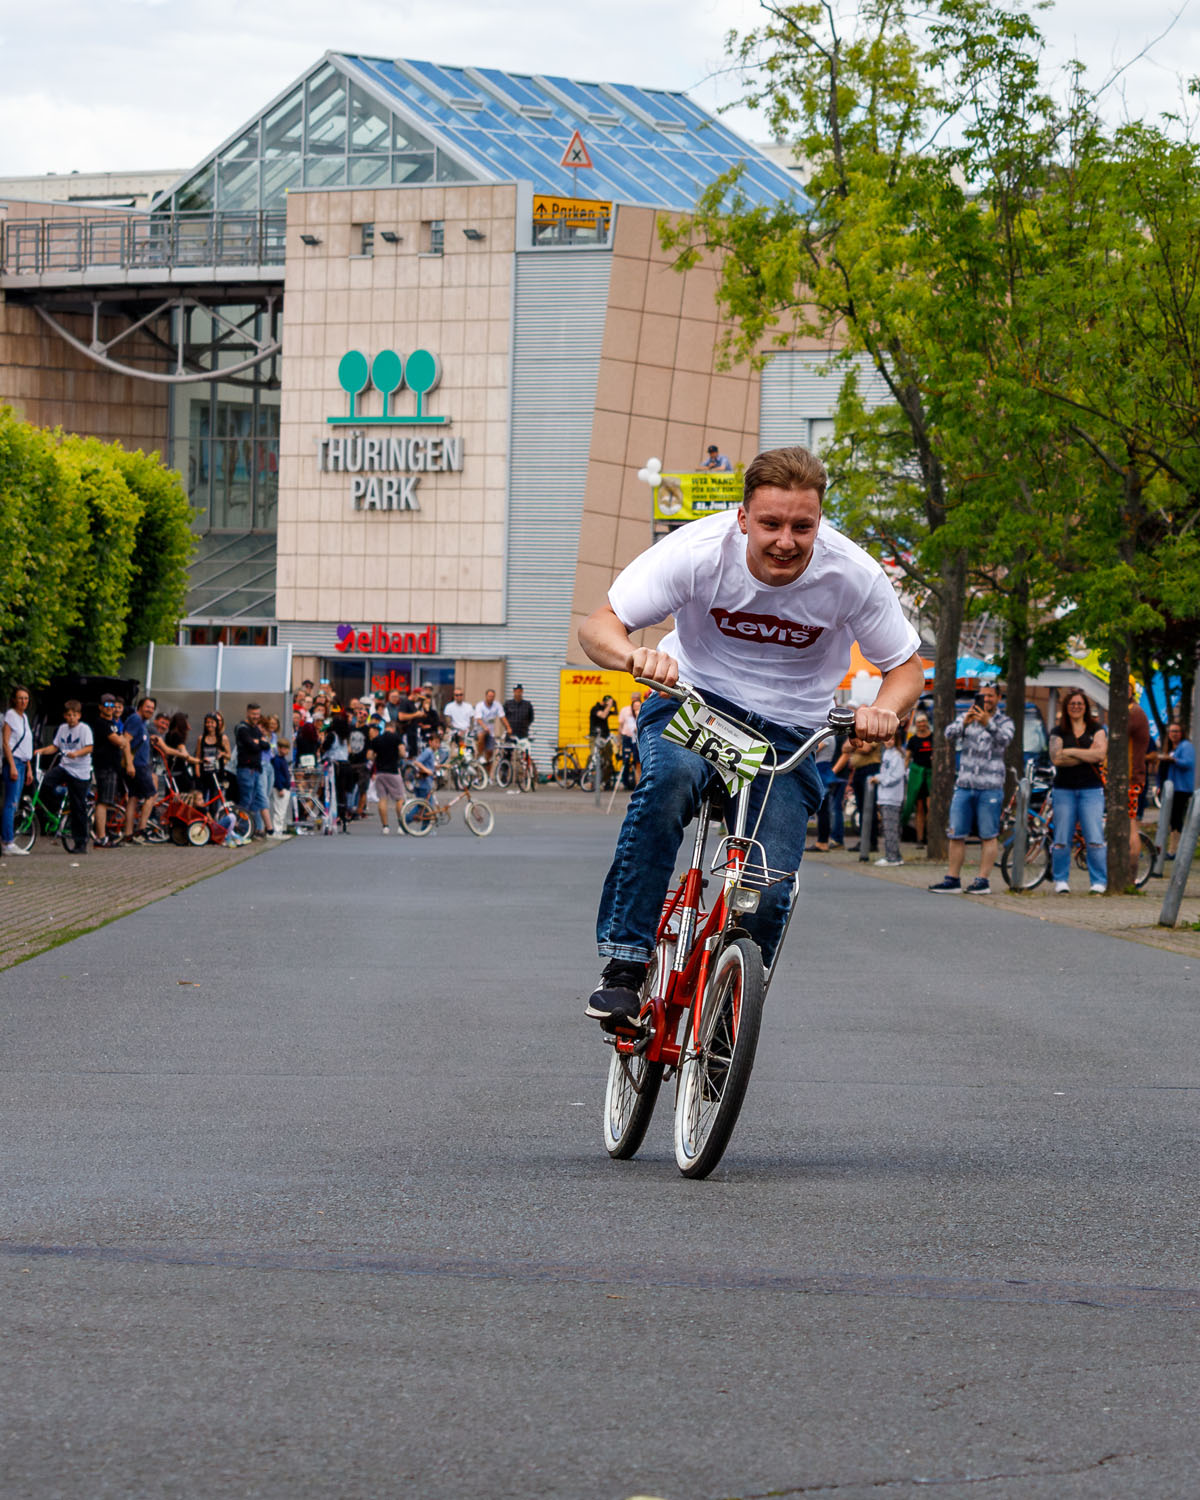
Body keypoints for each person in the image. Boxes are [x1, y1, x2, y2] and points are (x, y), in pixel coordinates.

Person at [577, 444, 923, 1029]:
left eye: (802, 527)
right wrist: (634, 656)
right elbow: (599, 626)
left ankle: (725, 1026)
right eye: (771, 524)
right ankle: (625, 966)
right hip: (697, 704)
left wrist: (884, 710)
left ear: (819, 521)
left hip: (789, 734)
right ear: (743, 519)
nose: (786, 541)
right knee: (668, 784)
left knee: (769, 887)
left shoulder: (852, 575)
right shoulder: (697, 551)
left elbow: (906, 668)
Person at [928, 683, 1014, 895]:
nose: (986, 699)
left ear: (998, 697)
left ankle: (982, 881)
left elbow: (1005, 740)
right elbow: (948, 734)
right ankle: (952, 879)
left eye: (990, 696)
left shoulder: (1005, 721)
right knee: (956, 833)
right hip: (965, 785)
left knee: (988, 835)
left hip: (990, 787)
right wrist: (965, 723)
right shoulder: (967, 716)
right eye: (983, 696)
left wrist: (988, 723)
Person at [1048, 690, 1108, 894]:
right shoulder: (1058, 731)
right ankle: (1061, 880)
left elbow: (1099, 755)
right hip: (1064, 789)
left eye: (1079, 703)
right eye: (1072, 703)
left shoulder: (1097, 729)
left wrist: (1070, 751)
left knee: (1094, 838)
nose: (1076, 707)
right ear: (1066, 707)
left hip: (1091, 789)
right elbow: (1056, 759)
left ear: (1086, 707)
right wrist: (1086, 754)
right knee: (1061, 837)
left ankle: (1099, 881)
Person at [33, 700, 94, 851]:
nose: (71, 718)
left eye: (74, 715)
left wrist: (76, 753)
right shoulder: (62, 728)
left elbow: (89, 747)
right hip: (65, 767)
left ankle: (81, 842)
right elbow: (55, 747)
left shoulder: (84, 729)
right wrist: (41, 751)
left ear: (79, 716)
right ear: (65, 716)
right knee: (44, 783)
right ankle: (55, 810)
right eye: (69, 715)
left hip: (80, 772)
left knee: (78, 807)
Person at [91, 694, 132, 847]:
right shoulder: (101, 723)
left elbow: (122, 741)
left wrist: (122, 741)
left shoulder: (112, 723)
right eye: (106, 705)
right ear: (100, 707)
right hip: (104, 766)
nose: (110, 707)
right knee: (103, 802)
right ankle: (101, 837)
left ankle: (105, 834)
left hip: (113, 767)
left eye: (112, 705)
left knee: (108, 801)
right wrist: (122, 741)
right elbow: (118, 741)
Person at [122, 697, 161, 844]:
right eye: (147, 707)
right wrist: (129, 764)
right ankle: (141, 830)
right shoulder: (136, 719)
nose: (150, 710)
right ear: (140, 707)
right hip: (138, 765)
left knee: (133, 797)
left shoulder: (142, 722)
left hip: (138, 765)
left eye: (152, 708)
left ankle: (128, 833)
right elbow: (126, 741)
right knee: (152, 795)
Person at [2, 686, 34, 855]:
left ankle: (8, 840)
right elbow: (6, 742)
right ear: (14, 699)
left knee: (15, 802)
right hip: (14, 762)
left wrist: (29, 768)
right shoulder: (11, 715)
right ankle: (7, 842)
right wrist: (12, 766)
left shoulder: (24, 717)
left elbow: (25, 745)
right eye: (20, 698)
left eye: (26, 698)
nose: (23, 701)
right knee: (11, 803)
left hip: (23, 762)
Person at [234, 703, 272, 837]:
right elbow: (253, 746)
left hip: (256, 769)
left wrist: (258, 742)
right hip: (246, 770)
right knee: (246, 800)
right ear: (247, 713)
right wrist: (258, 743)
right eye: (253, 714)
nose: (256, 717)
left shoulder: (255, 729)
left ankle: (251, 830)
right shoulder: (242, 728)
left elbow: (266, 746)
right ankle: (242, 830)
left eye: (258, 714)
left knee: (255, 802)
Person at [1158, 722, 1194, 856]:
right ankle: (1172, 848)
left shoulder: (1186, 746)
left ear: (1182, 733)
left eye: (1176, 731)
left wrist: (1173, 760)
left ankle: (1175, 849)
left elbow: (1188, 763)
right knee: (1171, 818)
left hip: (1181, 788)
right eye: (1171, 731)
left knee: (1176, 817)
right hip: (1169, 787)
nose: (1174, 734)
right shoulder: (1169, 747)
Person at [873, 727, 907, 866]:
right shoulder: (886, 754)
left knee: (890, 828)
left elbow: (897, 775)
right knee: (888, 828)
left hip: (892, 798)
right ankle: (895, 855)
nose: (889, 741)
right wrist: (878, 777)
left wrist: (881, 780)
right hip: (885, 796)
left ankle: (892, 857)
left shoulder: (897, 756)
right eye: (887, 739)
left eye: (892, 739)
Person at [367, 718, 406, 834]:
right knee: (399, 799)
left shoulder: (377, 740)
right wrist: (397, 756)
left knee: (382, 799)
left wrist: (376, 758)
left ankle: (385, 827)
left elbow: (369, 756)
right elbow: (403, 752)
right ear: (393, 728)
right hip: (393, 772)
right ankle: (401, 826)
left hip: (380, 773)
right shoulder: (397, 738)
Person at [1128, 682, 1152, 865]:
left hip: (1131, 778)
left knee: (1130, 826)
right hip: (1130, 776)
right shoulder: (1131, 710)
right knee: (1128, 825)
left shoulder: (1133, 712)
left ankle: (1131, 874)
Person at [902, 711, 934, 844]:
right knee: (919, 808)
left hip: (930, 775)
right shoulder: (913, 740)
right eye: (919, 722)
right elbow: (907, 757)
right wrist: (903, 771)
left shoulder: (933, 737)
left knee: (930, 806)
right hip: (917, 775)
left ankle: (931, 836)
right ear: (916, 724)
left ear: (927, 723)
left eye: (923, 721)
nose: (921, 724)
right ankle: (920, 838)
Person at [473, 689, 508, 774]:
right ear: (486, 696)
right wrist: (485, 727)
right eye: (489, 696)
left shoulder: (497, 705)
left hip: (490, 733)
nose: (491, 698)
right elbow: (478, 719)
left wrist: (508, 727)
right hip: (479, 730)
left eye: (492, 696)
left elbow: (502, 717)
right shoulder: (480, 706)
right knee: (481, 735)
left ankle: (487, 775)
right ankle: (479, 755)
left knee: (490, 754)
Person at [270, 738, 293, 837]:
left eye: (287, 748)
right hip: (281, 788)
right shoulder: (277, 760)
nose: (286, 751)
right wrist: (280, 788)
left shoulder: (282, 760)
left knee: (282, 810)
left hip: (284, 787)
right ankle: (277, 830)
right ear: (279, 748)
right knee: (279, 810)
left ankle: (280, 829)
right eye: (284, 748)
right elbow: (277, 775)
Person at [618, 693, 641, 788]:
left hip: (638, 739)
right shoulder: (625, 711)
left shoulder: (642, 710)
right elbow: (621, 725)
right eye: (634, 698)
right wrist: (619, 740)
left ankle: (637, 783)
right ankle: (625, 781)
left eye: (637, 698)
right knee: (626, 759)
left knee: (638, 762)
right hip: (627, 737)